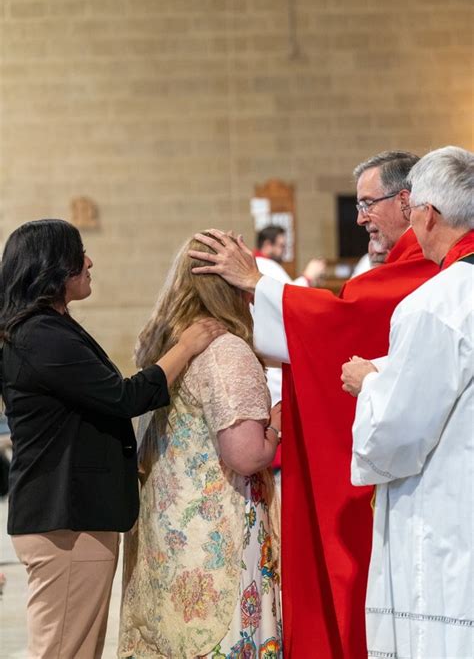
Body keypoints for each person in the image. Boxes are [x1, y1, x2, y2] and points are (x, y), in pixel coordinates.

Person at [188, 151, 440, 658]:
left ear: (408, 200)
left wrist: (259, 284)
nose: (359, 216)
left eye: (369, 203)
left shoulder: (426, 271)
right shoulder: (406, 269)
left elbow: (343, 320)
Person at [0, 219, 225, 659]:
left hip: (72, 514)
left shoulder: (49, 326)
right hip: (65, 517)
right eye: (77, 254)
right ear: (50, 268)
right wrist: (189, 344)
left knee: (76, 648)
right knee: (62, 651)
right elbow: (123, 397)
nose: (89, 261)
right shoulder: (39, 335)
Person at [119, 234, 282, 658]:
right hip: (217, 535)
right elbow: (246, 456)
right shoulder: (226, 350)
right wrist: (277, 426)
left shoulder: (167, 344)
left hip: (169, 530)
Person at [341, 145, 474, 658]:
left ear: (429, 214)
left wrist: (370, 384)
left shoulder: (433, 304)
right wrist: (391, 372)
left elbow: (397, 436)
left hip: (447, 517)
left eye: (413, 206)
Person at [254, 224, 325, 287]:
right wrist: (308, 277)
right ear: (267, 245)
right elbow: (289, 295)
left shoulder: (258, 263)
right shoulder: (266, 265)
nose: (284, 251)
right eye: (281, 246)